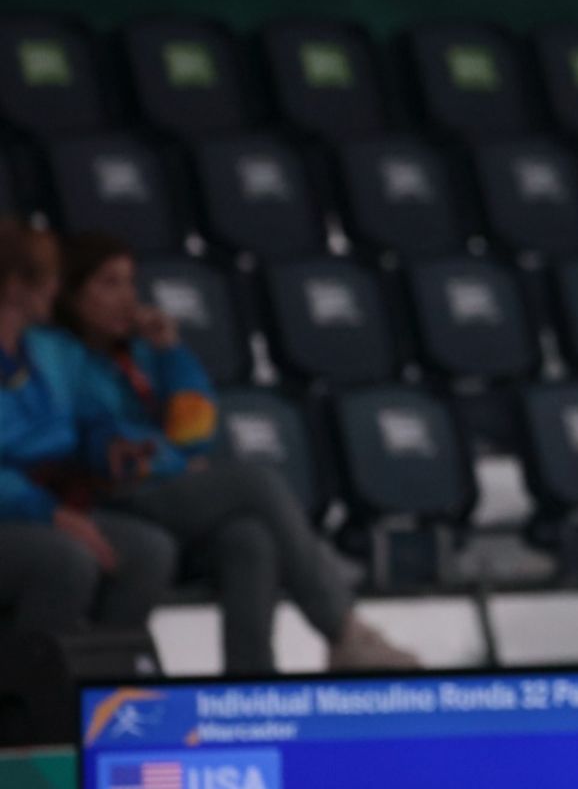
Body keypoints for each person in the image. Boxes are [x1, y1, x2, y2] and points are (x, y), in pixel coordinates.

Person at [50, 231, 416, 676]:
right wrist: (177, 458)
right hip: (105, 497)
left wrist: (172, 354)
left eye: (130, 283)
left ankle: (252, 685)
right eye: (109, 283)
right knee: (254, 483)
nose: (127, 297)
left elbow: (198, 430)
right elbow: (116, 452)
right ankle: (344, 631)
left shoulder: (143, 356)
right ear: (70, 294)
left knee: (250, 539)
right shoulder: (60, 358)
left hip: (157, 495)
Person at [0, 220, 175, 636]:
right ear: (13, 286)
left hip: (51, 504)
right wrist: (47, 513)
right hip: (18, 509)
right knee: (66, 560)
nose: (55, 288)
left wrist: (107, 447)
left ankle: (101, 687)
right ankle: (28, 694)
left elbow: (87, 421)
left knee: (148, 551)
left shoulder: (48, 350)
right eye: (46, 278)